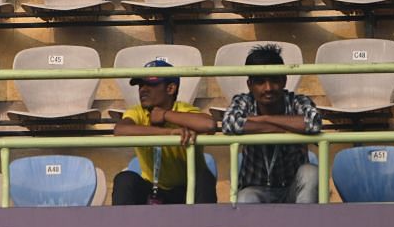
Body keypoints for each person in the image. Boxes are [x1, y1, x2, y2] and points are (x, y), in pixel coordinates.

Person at [220, 44, 322, 204]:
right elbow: (228, 123)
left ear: (284, 81)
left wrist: (264, 119)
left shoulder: (298, 101)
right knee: (245, 198)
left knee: (311, 172)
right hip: (257, 189)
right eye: (260, 82)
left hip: (292, 189)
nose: (268, 88)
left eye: (274, 80)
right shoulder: (243, 101)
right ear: (250, 85)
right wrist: (285, 126)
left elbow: (313, 122)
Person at [113, 59, 218, 205]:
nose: (143, 89)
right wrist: (168, 132)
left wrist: (165, 115)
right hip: (153, 190)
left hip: (187, 189)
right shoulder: (137, 112)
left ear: (170, 89)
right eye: (141, 84)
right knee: (125, 179)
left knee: (204, 178)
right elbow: (120, 130)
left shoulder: (183, 110)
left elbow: (209, 124)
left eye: (151, 84)